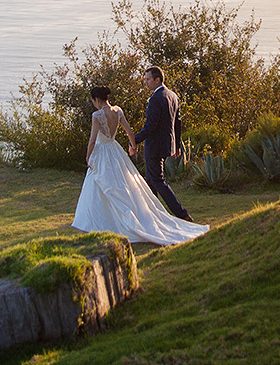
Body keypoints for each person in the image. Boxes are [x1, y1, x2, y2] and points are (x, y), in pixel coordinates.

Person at [71, 84, 207, 246]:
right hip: (115, 150)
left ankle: (99, 220)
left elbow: (92, 140)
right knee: (118, 185)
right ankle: (107, 218)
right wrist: (133, 146)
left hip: (102, 152)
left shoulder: (97, 115)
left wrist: (88, 156)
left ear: (96, 100)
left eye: (93, 101)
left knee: (101, 184)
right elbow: (129, 131)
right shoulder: (118, 111)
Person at [129, 65, 195, 221]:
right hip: (166, 145)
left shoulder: (155, 99)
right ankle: (152, 215)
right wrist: (176, 145)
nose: (146, 83)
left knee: (158, 181)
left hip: (155, 146)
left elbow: (150, 126)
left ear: (157, 80)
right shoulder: (173, 95)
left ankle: (182, 214)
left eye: (148, 79)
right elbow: (178, 122)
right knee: (150, 182)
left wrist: (133, 140)